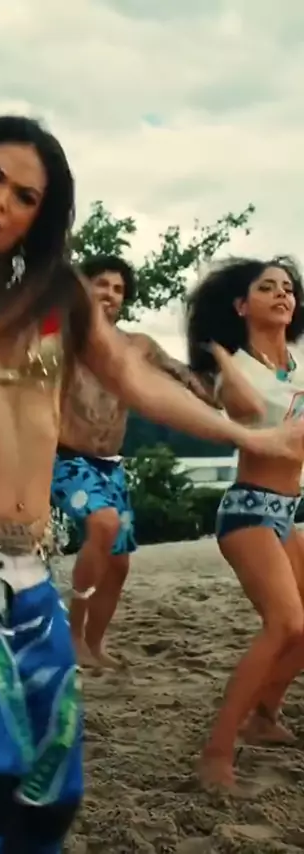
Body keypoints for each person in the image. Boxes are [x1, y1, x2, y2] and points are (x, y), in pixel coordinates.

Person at [0, 117, 303, 853]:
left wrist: (250, 437)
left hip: (28, 568)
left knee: (51, 789)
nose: (2, 200)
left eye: (26, 196)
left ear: (37, 220)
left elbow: (136, 379)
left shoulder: (53, 304)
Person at [52, 254, 215, 668]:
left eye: (118, 289)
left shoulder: (136, 346)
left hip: (110, 465)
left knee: (120, 563)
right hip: (64, 457)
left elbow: (183, 375)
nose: (110, 293)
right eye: (101, 284)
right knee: (103, 523)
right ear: (83, 289)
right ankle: (72, 637)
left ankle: (95, 644)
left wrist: (216, 386)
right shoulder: (61, 337)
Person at [186, 256, 304, 792]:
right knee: (285, 624)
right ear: (241, 304)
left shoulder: (297, 362)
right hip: (248, 510)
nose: (282, 294)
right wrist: (216, 351)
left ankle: (264, 715)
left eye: (289, 288)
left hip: (287, 511)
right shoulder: (233, 364)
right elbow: (250, 409)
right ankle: (216, 753)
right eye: (268, 287)